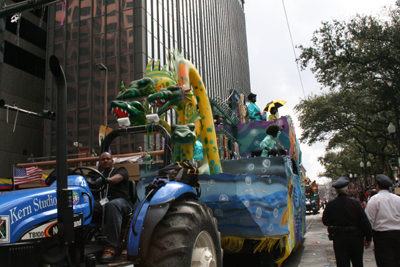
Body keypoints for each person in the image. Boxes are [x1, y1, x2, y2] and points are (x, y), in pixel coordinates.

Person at [322, 176, 372, 267]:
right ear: (347, 190)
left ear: (336, 191)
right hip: (356, 237)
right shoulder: (355, 203)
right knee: (357, 262)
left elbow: (325, 221)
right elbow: (364, 221)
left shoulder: (331, 204)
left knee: (342, 263)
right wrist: (368, 237)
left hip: (339, 238)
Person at [94, 152, 133, 263]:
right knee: (86, 206)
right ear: (99, 162)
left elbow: (118, 178)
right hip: (102, 203)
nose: (105, 161)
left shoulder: (120, 170)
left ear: (112, 161)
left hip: (121, 202)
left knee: (113, 205)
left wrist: (107, 180)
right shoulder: (96, 175)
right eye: (102, 159)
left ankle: (111, 247)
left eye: (107, 159)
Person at [364, 174, 400, 267]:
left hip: (382, 237)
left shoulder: (374, 200)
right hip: (397, 234)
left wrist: (368, 238)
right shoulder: (397, 199)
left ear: (378, 186)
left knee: (384, 262)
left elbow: (369, 220)